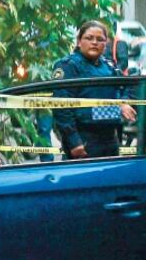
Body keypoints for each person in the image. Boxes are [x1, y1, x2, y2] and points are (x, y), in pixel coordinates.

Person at [52, 20, 137, 159]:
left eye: (100, 39)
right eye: (89, 38)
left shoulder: (109, 66)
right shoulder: (68, 66)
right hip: (84, 138)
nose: (94, 43)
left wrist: (123, 103)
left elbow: (124, 87)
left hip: (110, 137)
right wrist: (74, 141)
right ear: (79, 42)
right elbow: (61, 107)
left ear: (106, 44)